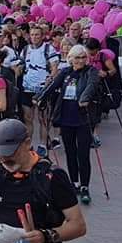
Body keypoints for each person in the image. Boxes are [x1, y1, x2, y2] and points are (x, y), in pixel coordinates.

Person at [37, 45, 100, 204]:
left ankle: (85, 186)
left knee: (83, 154)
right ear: (70, 58)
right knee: (70, 152)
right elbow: (52, 86)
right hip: (66, 118)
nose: (80, 60)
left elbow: (92, 86)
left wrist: (84, 99)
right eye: (77, 57)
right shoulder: (65, 72)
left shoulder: (90, 71)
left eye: (83, 57)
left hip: (83, 118)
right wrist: (41, 98)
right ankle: (74, 183)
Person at [20, 26, 60, 157]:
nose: (35, 37)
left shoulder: (49, 49)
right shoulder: (25, 49)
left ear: (42, 36)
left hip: (42, 89)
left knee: (43, 118)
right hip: (27, 88)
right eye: (32, 34)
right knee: (28, 118)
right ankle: (28, 145)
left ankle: (42, 144)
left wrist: (51, 79)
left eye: (37, 34)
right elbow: (20, 67)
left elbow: (54, 67)